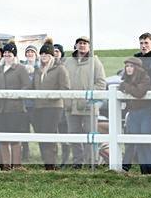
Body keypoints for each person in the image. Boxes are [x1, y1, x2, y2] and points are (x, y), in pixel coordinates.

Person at [64, 36, 106, 168]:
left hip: (89, 107)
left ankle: (92, 161)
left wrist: (88, 96)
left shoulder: (95, 62)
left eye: (85, 43)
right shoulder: (68, 62)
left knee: (91, 135)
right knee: (73, 135)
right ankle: (77, 162)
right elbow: (64, 83)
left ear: (89, 46)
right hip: (71, 106)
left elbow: (101, 83)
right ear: (75, 46)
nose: (82, 46)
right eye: (80, 43)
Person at [30, 38, 70, 170]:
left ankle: (51, 164)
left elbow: (65, 89)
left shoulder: (60, 69)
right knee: (40, 135)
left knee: (49, 134)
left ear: (52, 55)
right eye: (42, 54)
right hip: (38, 107)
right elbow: (32, 88)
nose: (44, 56)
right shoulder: (37, 70)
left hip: (53, 107)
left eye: (47, 54)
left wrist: (50, 96)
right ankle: (46, 162)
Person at [0, 41, 30, 170]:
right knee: (3, 137)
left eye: (10, 52)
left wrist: (16, 96)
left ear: (14, 54)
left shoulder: (20, 68)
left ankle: (17, 165)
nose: (7, 55)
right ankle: (6, 165)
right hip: (1, 108)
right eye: (6, 52)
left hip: (15, 109)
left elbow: (26, 86)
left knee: (15, 137)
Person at [123, 32, 151, 171]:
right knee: (140, 141)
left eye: (146, 43)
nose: (143, 46)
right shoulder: (135, 60)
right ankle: (144, 170)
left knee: (148, 141)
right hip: (138, 104)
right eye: (141, 43)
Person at [53, 43, 71, 167]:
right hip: (52, 106)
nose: (55, 54)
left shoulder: (65, 67)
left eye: (57, 51)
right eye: (53, 52)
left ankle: (65, 160)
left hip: (64, 105)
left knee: (64, 133)